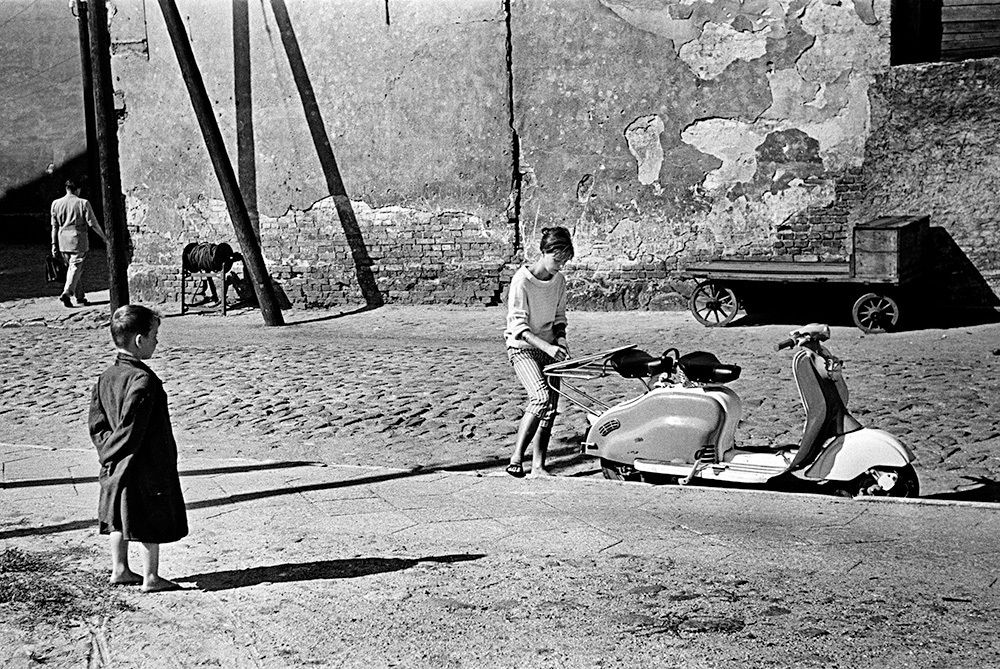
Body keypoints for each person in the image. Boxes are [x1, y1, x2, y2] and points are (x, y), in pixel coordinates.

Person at [89, 305, 188, 592]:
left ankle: (119, 568)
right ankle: (151, 577)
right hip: (144, 462)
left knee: (119, 516)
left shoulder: (106, 376)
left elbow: (97, 422)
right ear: (139, 340)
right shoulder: (143, 380)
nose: (157, 341)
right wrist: (119, 452)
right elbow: (133, 427)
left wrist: (107, 453)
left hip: (115, 463)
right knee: (148, 517)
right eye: (154, 335)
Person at [503, 226, 575, 478]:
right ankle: (516, 458)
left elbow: (559, 316)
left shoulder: (559, 281)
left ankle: (539, 465)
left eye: (564, 260)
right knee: (541, 398)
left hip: (550, 347)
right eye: (557, 259)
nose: (560, 265)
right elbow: (518, 327)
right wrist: (547, 347)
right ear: (544, 252)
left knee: (552, 408)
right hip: (522, 348)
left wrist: (562, 340)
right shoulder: (521, 281)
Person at [50, 179, 107, 307]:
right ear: (78, 189)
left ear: (66, 188)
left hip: (62, 240)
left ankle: (80, 297)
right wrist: (104, 237)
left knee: (73, 269)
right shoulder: (83, 203)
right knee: (75, 267)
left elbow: (54, 227)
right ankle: (67, 292)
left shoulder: (56, 203)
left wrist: (54, 244)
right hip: (78, 239)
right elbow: (93, 224)